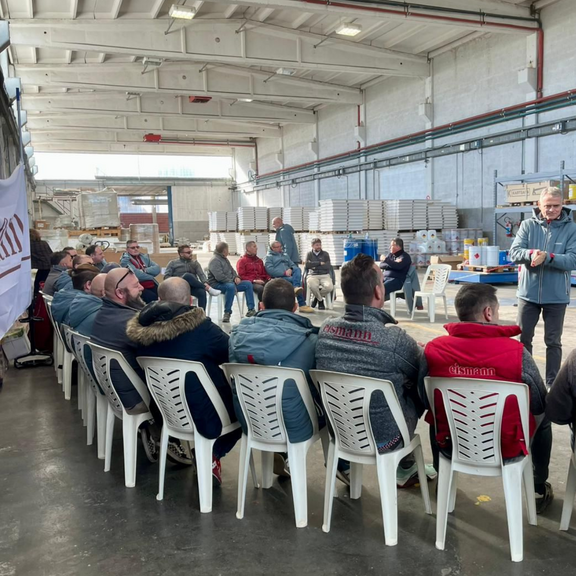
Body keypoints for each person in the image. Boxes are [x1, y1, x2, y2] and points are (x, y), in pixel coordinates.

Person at [421, 283, 553, 513]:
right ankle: (538, 485)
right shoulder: (517, 353)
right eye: (498, 311)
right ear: (488, 313)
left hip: (452, 442)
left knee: (436, 413)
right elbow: (540, 404)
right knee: (545, 420)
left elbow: (423, 398)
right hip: (507, 447)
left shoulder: (434, 349)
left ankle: (444, 479)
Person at [315, 253, 436, 487]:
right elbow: (422, 375)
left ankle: (344, 461)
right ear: (379, 292)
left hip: (341, 433)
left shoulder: (326, 330)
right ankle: (405, 466)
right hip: (386, 441)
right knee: (414, 381)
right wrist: (419, 352)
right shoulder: (395, 339)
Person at [126, 277, 241, 485]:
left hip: (165, 412)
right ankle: (212, 453)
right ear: (190, 300)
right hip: (205, 415)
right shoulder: (202, 329)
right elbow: (230, 353)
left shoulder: (141, 332)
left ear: (159, 299)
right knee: (244, 409)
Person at [91, 268, 191, 465]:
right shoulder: (128, 323)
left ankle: (151, 430)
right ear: (120, 293)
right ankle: (169, 437)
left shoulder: (103, 315)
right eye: (136, 286)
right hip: (137, 397)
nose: (142, 289)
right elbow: (166, 351)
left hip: (116, 392)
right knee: (186, 380)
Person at [229, 278, 322, 478]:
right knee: (325, 404)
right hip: (294, 427)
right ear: (295, 307)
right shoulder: (311, 341)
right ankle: (342, 466)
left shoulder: (236, 336)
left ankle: (283, 454)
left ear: (261, 306)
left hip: (249, 420)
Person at [509, 186, 576, 387]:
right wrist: (531, 254)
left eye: (556, 205)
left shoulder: (571, 229)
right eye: (547, 206)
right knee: (523, 339)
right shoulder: (527, 225)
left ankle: (552, 384)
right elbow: (514, 253)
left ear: (562, 205)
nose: (551, 210)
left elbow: (573, 260)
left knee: (553, 342)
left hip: (556, 297)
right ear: (539, 205)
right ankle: (526, 379)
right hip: (527, 295)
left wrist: (549, 257)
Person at [207, 242, 257, 323]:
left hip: (229, 283)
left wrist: (236, 277)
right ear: (224, 251)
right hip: (217, 284)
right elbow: (220, 277)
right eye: (227, 249)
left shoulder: (224, 259)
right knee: (230, 287)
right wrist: (232, 282)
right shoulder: (215, 260)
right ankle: (227, 312)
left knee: (248, 284)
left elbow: (232, 271)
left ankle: (251, 309)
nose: (228, 251)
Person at [164, 244, 220, 310]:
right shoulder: (173, 263)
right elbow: (166, 277)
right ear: (181, 254)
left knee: (202, 292)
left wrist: (205, 282)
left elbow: (201, 275)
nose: (191, 254)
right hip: (178, 287)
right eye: (188, 252)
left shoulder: (194, 263)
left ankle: (202, 314)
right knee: (187, 276)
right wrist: (177, 280)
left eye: (191, 252)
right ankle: (208, 288)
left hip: (192, 287)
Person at [265, 241, 314, 314]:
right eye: (277, 247)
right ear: (272, 248)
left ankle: (296, 287)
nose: (280, 248)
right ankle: (302, 304)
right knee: (296, 282)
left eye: (280, 246)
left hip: (289, 274)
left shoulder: (285, 255)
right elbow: (270, 270)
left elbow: (293, 265)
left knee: (297, 269)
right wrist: (284, 273)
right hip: (278, 277)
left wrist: (290, 269)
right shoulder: (269, 257)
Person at [304, 237, 334, 310]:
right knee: (313, 285)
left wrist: (313, 265)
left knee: (329, 287)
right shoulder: (309, 254)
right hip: (312, 275)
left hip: (324, 275)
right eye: (317, 245)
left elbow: (327, 266)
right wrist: (319, 263)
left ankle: (316, 298)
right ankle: (320, 300)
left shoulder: (325, 254)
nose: (319, 246)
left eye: (320, 245)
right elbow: (307, 265)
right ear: (312, 246)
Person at [30, 229, 53, 294]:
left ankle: (37, 296)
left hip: (41, 267)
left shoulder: (30, 245)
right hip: (49, 265)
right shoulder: (44, 243)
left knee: (38, 284)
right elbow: (50, 253)